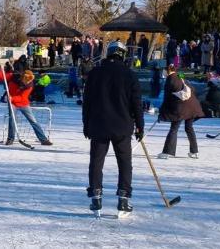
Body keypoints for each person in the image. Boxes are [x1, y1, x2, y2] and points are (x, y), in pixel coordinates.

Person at [82, 40, 143, 217]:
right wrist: (140, 126)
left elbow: (87, 103)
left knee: (96, 162)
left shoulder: (95, 73)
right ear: (123, 55)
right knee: (124, 163)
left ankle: (96, 197)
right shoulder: (130, 75)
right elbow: (136, 104)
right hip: (122, 127)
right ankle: (123, 200)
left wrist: (86, 124)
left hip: (99, 125)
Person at [0, 67, 53, 146]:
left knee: (33, 121)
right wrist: (0, 70)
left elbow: (22, 97)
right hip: (12, 103)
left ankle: (43, 139)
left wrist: (12, 98)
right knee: (12, 120)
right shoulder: (13, 76)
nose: (26, 83)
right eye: (25, 81)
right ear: (22, 77)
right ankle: (10, 139)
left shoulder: (30, 85)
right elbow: (1, 77)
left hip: (23, 103)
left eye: (28, 81)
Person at [158, 64, 203, 159]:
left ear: (168, 71)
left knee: (174, 129)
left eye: (164, 71)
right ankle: (194, 152)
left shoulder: (170, 79)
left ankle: (167, 152)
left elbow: (167, 98)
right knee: (189, 128)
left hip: (181, 108)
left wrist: (161, 112)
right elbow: (192, 88)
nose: (163, 73)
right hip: (192, 106)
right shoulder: (180, 75)